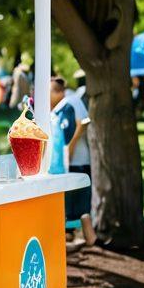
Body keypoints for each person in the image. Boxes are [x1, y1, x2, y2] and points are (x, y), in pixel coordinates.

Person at [50, 76, 94, 242]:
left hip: (79, 161)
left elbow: (84, 121)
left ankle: (89, 237)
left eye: (49, 92)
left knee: (80, 201)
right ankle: (70, 236)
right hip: (64, 163)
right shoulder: (56, 109)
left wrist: (72, 145)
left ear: (59, 92)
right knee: (68, 202)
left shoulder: (72, 100)